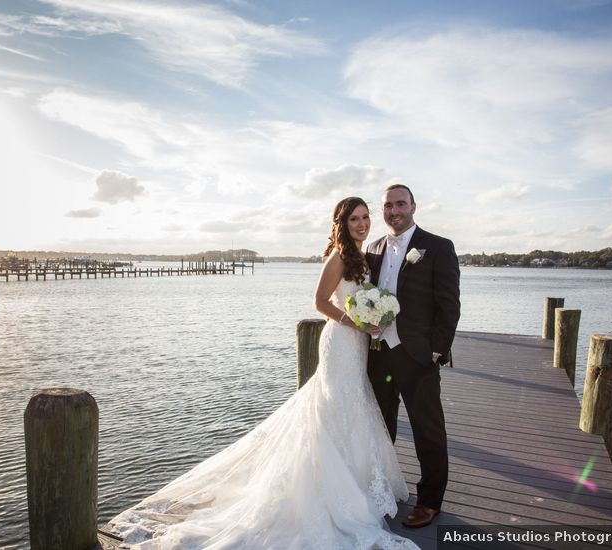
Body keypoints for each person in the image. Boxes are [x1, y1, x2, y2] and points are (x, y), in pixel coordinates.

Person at [110, 197, 416, 549]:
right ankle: (327, 489)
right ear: (342, 224)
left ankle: (358, 484)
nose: (362, 224)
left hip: (358, 346)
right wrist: (354, 322)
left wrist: (371, 319)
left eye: (365, 217)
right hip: (341, 343)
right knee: (334, 409)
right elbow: (319, 301)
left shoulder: (363, 256)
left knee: (354, 407)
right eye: (354, 219)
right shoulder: (339, 257)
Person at [366, 184, 461, 528]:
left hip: (419, 356)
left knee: (427, 431)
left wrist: (436, 350)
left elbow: (449, 306)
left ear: (414, 206)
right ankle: (383, 490)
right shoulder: (373, 248)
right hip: (378, 356)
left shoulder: (437, 247)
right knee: (380, 427)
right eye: (388, 206)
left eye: (400, 204)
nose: (394, 211)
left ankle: (430, 501)